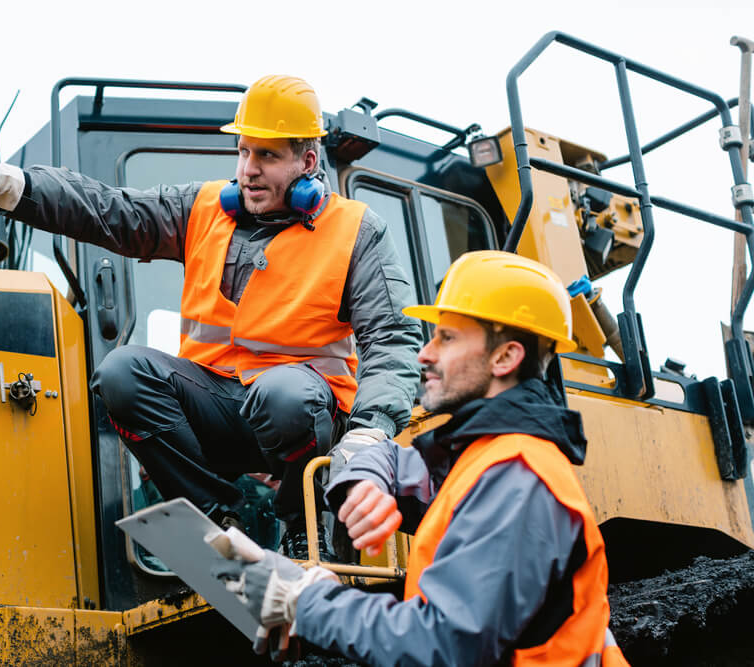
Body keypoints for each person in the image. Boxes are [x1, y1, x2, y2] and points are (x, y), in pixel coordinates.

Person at [0, 75, 422, 558]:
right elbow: (107, 210)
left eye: (267, 155)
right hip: (219, 413)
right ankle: (219, 525)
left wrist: (370, 429)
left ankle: (303, 534)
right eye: (243, 151)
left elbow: (394, 337)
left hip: (304, 419)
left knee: (284, 395)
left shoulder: (355, 230)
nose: (248, 169)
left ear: (308, 160)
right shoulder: (202, 210)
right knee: (122, 373)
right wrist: (8, 182)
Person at [211, 250, 630, 665]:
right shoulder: (483, 457)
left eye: (447, 338)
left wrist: (309, 601)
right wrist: (365, 481)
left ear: (506, 357)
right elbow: (390, 459)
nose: (424, 354)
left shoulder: (518, 478)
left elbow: (444, 645)